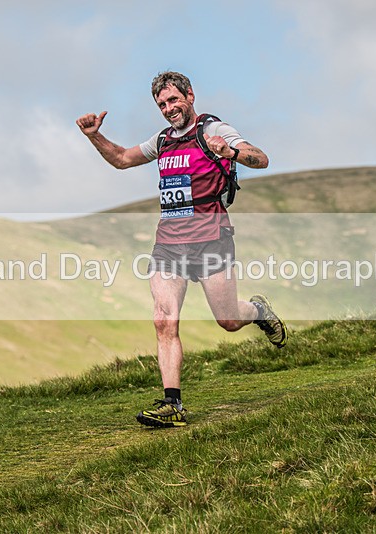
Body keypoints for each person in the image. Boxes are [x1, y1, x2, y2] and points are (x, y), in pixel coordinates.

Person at [76, 71, 287, 428]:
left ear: (190, 95)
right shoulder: (162, 141)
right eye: (162, 104)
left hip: (211, 240)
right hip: (169, 245)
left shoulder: (211, 131)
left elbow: (261, 158)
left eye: (174, 100)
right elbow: (123, 159)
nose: (168, 109)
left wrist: (231, 151)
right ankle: (172, 404)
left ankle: (257, 310)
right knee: (163, 319)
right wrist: (95, 136)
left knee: (229, 320)